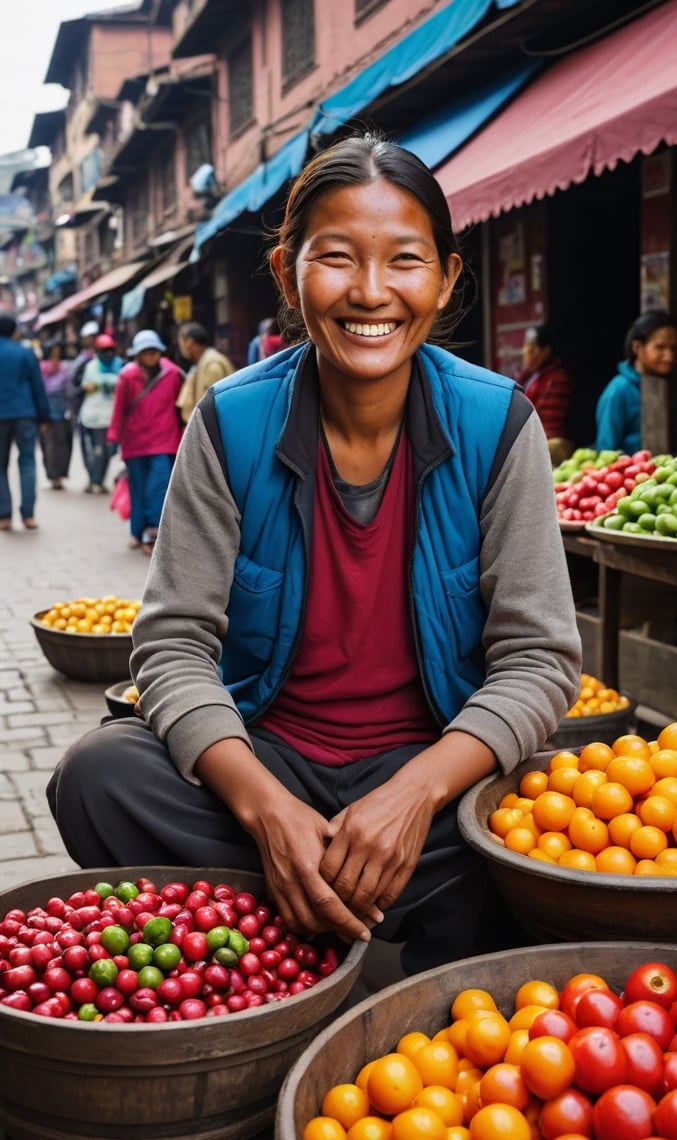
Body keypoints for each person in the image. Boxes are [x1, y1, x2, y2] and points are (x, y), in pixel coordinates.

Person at [47, 132, 581, 976]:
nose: (371, 293)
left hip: (432, 770)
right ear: (288, 273)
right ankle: (311, 888)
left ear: (444, 279)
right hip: (271, 754)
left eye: (403, 261)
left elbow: (540, 657)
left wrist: (413, 796)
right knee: (100, 773)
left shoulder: (498, 423)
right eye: (336, 258)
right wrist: (266, 811)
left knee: (549, 816)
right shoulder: (231, 421)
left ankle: (287, 918)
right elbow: (173, 643)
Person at [107, 329, 184, 553]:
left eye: (154, 352)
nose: (151, 357)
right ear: (138, 355)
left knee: (159, 486)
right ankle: (136, 531)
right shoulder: (127, 376)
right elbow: (120, 409)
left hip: (165, 439)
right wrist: (113, 436)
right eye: (146, 353)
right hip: (135, 441)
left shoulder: (172, 373)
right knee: (138, 488)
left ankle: (153, 531)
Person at [594, 309, 677, 453]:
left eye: (673, 348)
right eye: (660, 347)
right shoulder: (618, 390)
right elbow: (606, 451)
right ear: (637, 347)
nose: (669, 356)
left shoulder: (668, 388)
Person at [0, 312, 51, 531]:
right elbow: (38, 386)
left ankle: (4, 516)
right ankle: (28, 515)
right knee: (28, 463)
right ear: (14, 330)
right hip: (26, 415)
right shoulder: (25, 353)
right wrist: (44, 416)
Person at [518, 324, 575, 466]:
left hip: (546, 447)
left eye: (534, 348)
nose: (527, 352)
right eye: (526, 346)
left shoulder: (557, 379)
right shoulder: (529, 376)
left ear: (546, 350)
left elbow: (549, 427)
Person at [78, 333, 124, 493]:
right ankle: (94, 481)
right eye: (104, 350)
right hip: (92, 416)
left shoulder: (120, 365)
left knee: (107, 451)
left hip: (111, 416)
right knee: (96, 451)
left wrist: (100, 382)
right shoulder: (91, 365)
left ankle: (97, 480)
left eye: (110, 349)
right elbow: (87, 383)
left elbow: (119, 381)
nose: (108, 353)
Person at [175, 321, 235, 425]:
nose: (181, 349)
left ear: (189, 343)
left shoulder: (211, 365)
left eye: (180, 344)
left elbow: (215, 408)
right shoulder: (201, 363)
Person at [39, 337, 75, 490]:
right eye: (53, 353)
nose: (55, 356)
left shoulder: (65, 369)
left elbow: (69, 391)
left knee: (63, 445)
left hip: (62, 413)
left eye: (58, 352)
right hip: (46, 413)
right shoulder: (41, 369)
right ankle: (53, 475)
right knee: (48, 446)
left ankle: (59, 475)